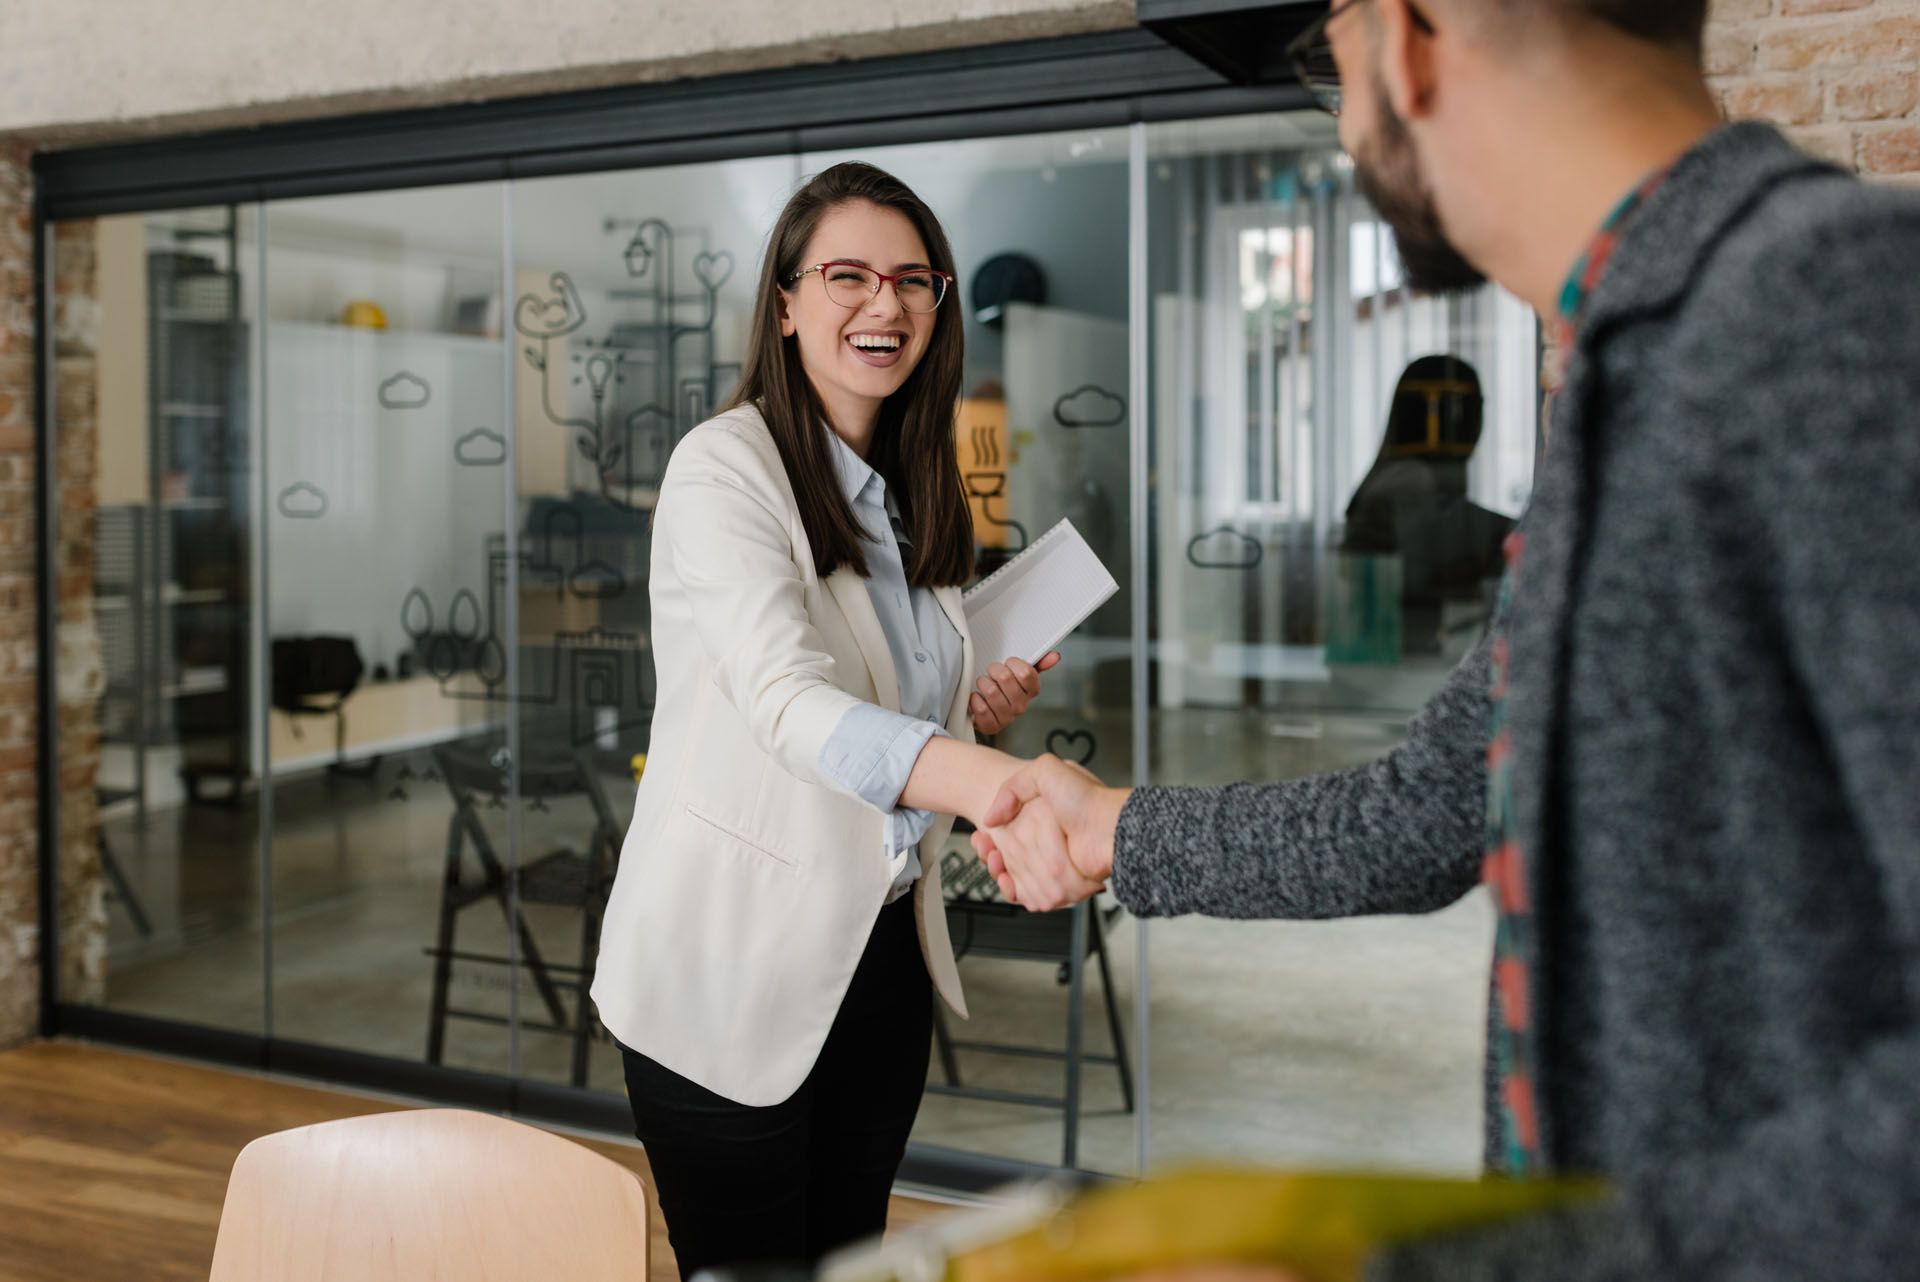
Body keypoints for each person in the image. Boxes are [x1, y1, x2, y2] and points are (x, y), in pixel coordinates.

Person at [974, 0, 1920, 1278]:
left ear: (1408, 37)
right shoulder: (1630, 376)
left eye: (1330, 56)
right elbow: (1428, 812)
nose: (1346, 114)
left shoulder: (1838, 312)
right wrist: (1114, 830)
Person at [590, 162, 1060, 1276]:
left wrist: (968, 704)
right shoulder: (726, 468)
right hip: (726, 965)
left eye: (911, 280)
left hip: (878, 951)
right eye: (847, 275)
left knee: (850, 1259)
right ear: (787, 303)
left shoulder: (908, 483)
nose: (883, 304)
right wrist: (996, 786)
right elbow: (789, 702)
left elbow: (884, 700)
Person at [1340, 354, 1511, 654]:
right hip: (1390, 660)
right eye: (1469, 408)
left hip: (1407, 650)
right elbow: (1429, 565)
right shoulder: (1409, 477)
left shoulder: (1412, 475)